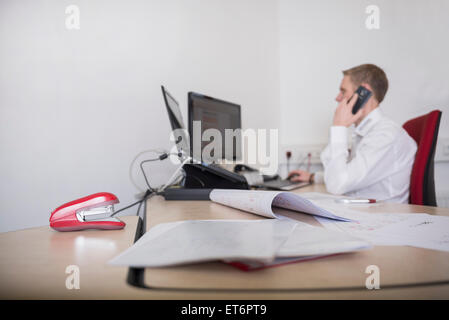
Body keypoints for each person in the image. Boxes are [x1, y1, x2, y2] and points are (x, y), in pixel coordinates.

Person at [288, 64, 417, 203]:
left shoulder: (385, 135)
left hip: (383, 216)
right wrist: (314, 177)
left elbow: (338, 185)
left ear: (364, 92)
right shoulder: (366, 132)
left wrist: (339, 127)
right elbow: (348, 174)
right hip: (365, 211)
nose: (338, 98)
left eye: (343, 91)